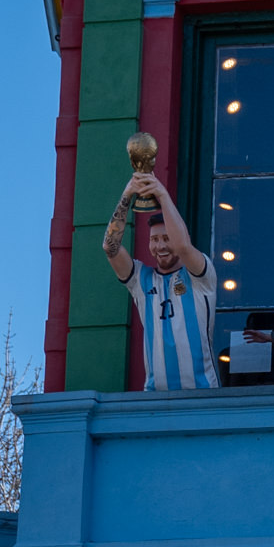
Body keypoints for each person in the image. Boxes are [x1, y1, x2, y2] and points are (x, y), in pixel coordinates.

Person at [103, 167, 219, 392]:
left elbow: (183, 247)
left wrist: (162, 195)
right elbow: (110, 247)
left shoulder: (200, 276)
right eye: (154, 239)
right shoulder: (141, 279)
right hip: (155, 399)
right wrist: (127, 195)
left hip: (202, 395)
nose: (161, 246)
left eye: (166, 238)